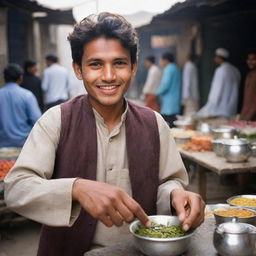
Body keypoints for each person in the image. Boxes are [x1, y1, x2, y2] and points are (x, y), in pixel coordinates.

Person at [4, 13, 205, 256]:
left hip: (139, 250)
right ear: (78, 69)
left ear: (133, 67)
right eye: (95, 64)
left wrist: (176, 194)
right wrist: (76, 188)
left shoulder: (155, 124)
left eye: (119, 63)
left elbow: (168, 181)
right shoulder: (55, 120)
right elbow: (17, 188)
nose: (108, 76)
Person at [0, 64, 41, 147]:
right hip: (24, 143)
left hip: (2, 144)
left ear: (4, 78)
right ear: (20, 78)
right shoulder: (27, 95)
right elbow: (36, 120)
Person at [197, 48, 241, 118]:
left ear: (219, 58)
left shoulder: (221, 71)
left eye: (216, 57)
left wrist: (207, 110)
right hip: (232, 110)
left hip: (220, 111)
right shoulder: (235, 70)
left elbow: (216, 93)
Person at [156, 52, 181, 127]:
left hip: (168, 103)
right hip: (175, 101)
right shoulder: (176, 68)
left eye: (161, 60)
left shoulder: (168, 69)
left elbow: (165, 84)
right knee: (173, 124)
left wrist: (157, 93)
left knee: (168, 125)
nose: (161, 62)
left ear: (166, 60)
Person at [240, 50, 256, 121]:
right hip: (246, 117)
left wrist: (248, 116)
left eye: (253, 59)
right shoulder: (249, 75)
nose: (250, 62)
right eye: (249, 59)